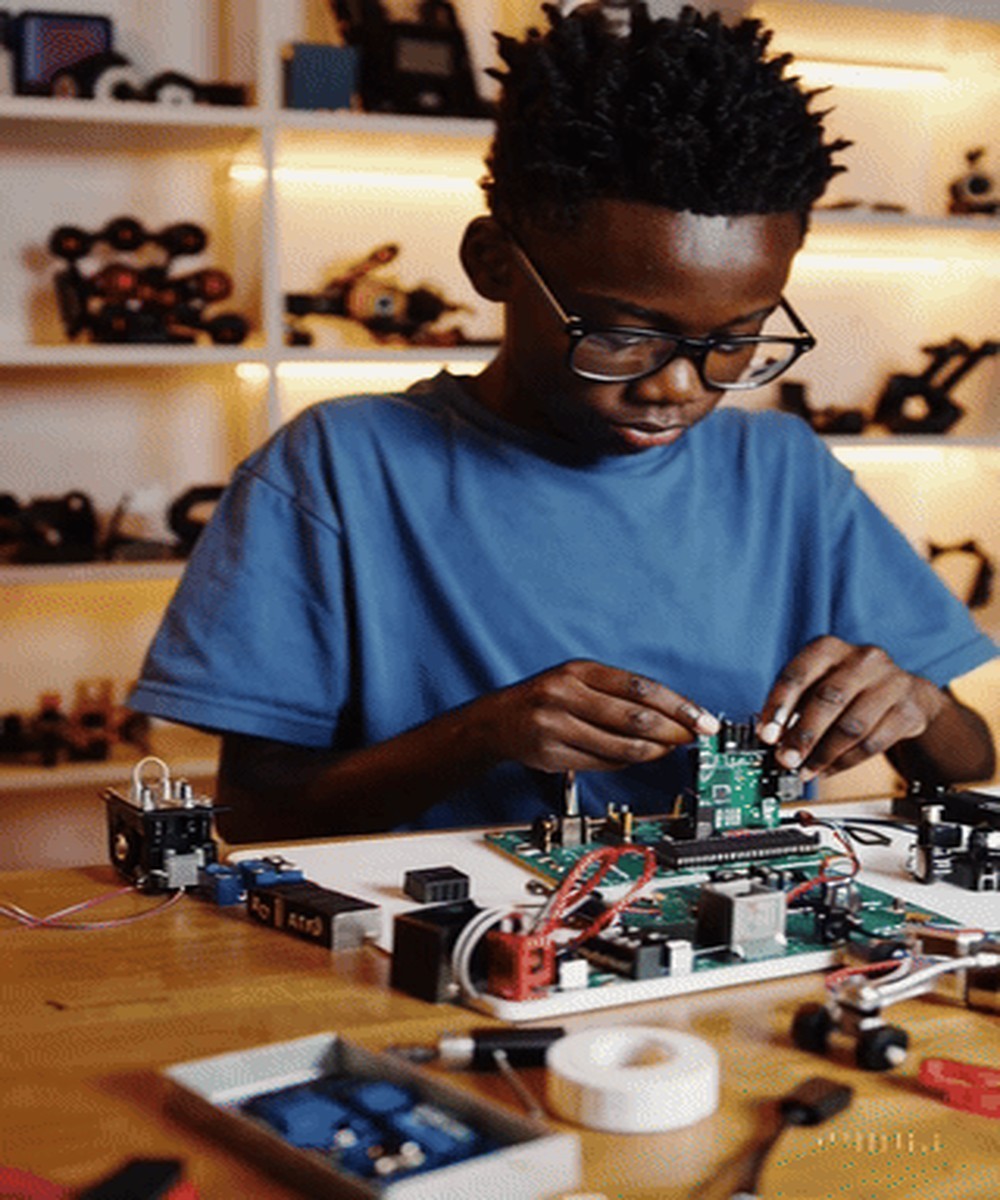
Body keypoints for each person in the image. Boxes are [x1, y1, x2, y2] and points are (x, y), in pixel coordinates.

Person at [129, 3, 996, 844]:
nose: (680, 388)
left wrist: (918, 703)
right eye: (621, 336)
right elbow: (251, 816)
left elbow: (968, 760)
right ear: (494, 265)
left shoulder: (784, 470)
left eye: (736, 341)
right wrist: (482, 734)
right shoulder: (339, 468)